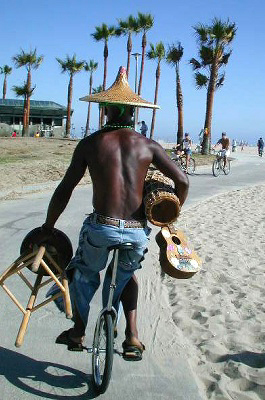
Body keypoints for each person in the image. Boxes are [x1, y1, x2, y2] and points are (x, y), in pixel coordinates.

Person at [41, 67, 189, 358]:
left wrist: (49, 225)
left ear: (107, 109)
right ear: (133, 111)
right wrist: (169, 216)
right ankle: (133, 337)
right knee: (128, 274)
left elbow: (65, 189)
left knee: (83, 273)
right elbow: (182, 181)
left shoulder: (90, 144)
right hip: (135, 231)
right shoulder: (148, 145)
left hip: (101, 227)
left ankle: (78, 331)